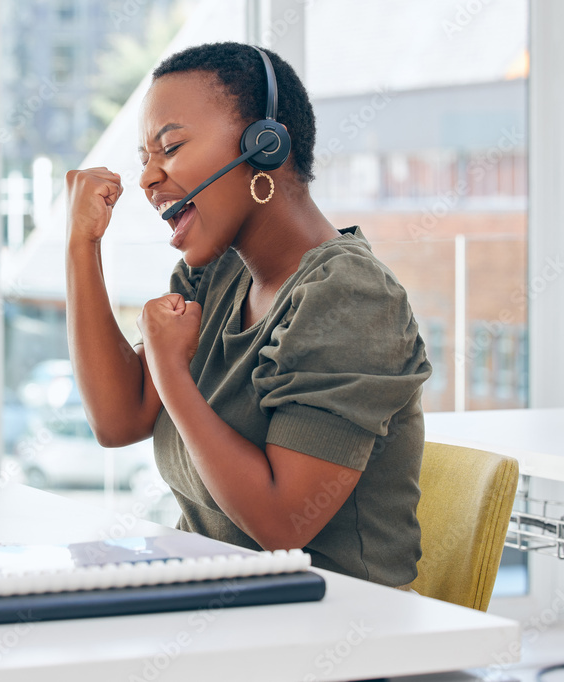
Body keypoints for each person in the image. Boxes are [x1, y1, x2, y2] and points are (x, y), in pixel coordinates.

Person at [64, 42, 432, 588]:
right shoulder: (215, 273)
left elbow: (285, 525)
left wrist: (170, 372)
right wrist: (81, 244)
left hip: (334, 630)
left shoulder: (349, 297)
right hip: (214, 606)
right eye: (145, 159)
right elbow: (118, 421)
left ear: (265, 145)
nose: (147, 179)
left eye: (171, 147)